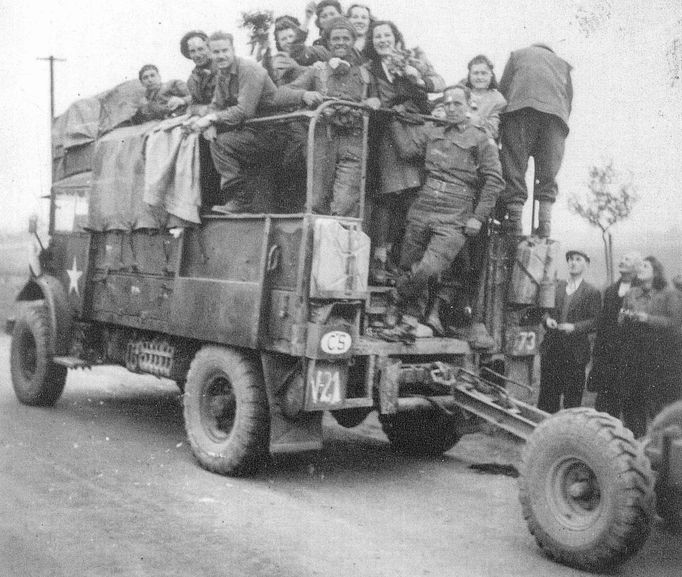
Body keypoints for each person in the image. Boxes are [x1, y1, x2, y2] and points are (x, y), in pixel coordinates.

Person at [387, 84, 504, 339]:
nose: (451, 109)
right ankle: (408, 322)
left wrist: (477, 217)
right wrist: (394, 118)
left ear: (468, 107)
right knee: (408, 265)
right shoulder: (433, 131)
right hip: (425, 205)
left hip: (455, 213)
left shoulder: (481, 138)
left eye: (457, 104)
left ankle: (397, 295)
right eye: (448, 104)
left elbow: (495, 180)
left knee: (428, 268)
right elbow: (407, 150)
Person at [187, 31, 321, 214]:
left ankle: (240, 201)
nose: (221, 56)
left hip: (276, 132)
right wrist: (211, 122)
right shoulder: (222, 74)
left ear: (233, 50)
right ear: (211, 53)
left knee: (221, 143)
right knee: (215, 140)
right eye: (216, 52)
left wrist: (212, 119)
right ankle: (234, 200)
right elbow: (216, 105)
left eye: (225, 50)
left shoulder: (248, 69)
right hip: (255, 130)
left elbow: (244, 110)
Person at [363, 19, 445, 283]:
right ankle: (380, 260)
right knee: (389, 195)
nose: (382, 40)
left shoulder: (412, 59)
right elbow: (367, 94)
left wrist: (417, 77)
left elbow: (438, 82)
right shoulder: (369, 68)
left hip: (412, 133)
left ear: (396, 38)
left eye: (387, 35)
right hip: (386, 134)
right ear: (372, 42)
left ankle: (397, 260)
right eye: (377, 37)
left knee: (410, 197)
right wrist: (372, 101)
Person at [288, 17, 379, 216]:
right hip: (323, 140)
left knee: (346, 204)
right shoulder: (317, 70)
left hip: (354, 142)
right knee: (316, 200)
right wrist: (304, 94)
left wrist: (374, 101)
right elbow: (283, 93)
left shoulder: (365, 74)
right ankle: (314, 246)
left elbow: (378, 99)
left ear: (353, 41)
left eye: (346, 38)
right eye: (335, 38)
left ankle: (339, 246)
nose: (340, 42)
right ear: (328, 42)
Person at [497, 43, 573, 237]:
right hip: (555, 118)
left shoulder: (517, 54)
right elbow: (568, 101)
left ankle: (514, 221)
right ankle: (545, 223)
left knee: (514, 164)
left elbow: (502, 91)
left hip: (520, 111)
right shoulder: (562, 64)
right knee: (548, 172)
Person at [618, 256, 682, 437]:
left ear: (655, 271)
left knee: (654, 402)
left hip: (656, 355)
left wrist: (648, 319)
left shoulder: (668, 294)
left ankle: (658, 445)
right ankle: (635, 442)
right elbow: (621, 321)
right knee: (631, 401)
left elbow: (674, 323)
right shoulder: (632, 293)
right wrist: (625, 315)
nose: (640, 268)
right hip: (632, 354)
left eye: (645, 266)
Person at [537, 250, 601, 414]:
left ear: (585, 264)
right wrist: (547, 320)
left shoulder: (591, 292)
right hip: (552, 349)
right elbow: (544, 310)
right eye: (570, 259)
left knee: (572, 401)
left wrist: (575, 327)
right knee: (547, 397)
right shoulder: (557, 286)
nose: (573, 263)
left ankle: (567, 435)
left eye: (578, 259)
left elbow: (595, 321)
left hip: (575, 353)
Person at [591, 252, 642, 417]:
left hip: (631, 356)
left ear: (636, 266)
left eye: (626, 259)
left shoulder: (642, 290)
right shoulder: (611, 290)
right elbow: (604, 324)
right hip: (609, 355)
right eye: (621, 258)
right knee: (605, 404)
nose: (621, 260)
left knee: (630, 404)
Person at [463, 54, 506, 140]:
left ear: (491, 75)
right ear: (469, 75)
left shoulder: (497, 99)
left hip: (481, 142)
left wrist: (476, 120)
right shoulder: (461, 92)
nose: (479, 77)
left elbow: (493, 131)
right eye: (475, 73)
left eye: (484, 73)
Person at [180, 30, 218, 115]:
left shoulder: (222, 68)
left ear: (209, 48)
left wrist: (196, 110)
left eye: (200, 49)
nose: (197, 55)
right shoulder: (192, 79)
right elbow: (194, 103)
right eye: (192, 51)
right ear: (189, 54)